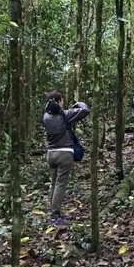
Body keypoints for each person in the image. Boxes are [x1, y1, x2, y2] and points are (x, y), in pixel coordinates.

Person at [42, 90, 90, 223]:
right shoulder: (65, 114)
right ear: (59, 101)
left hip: (51, 154)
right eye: (62, 100)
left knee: (54, 182)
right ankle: (55, 214)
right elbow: (85, 110)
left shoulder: (45, 116)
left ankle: (51, 211)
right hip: (64, 153)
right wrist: (77, 103)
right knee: (60, 184)